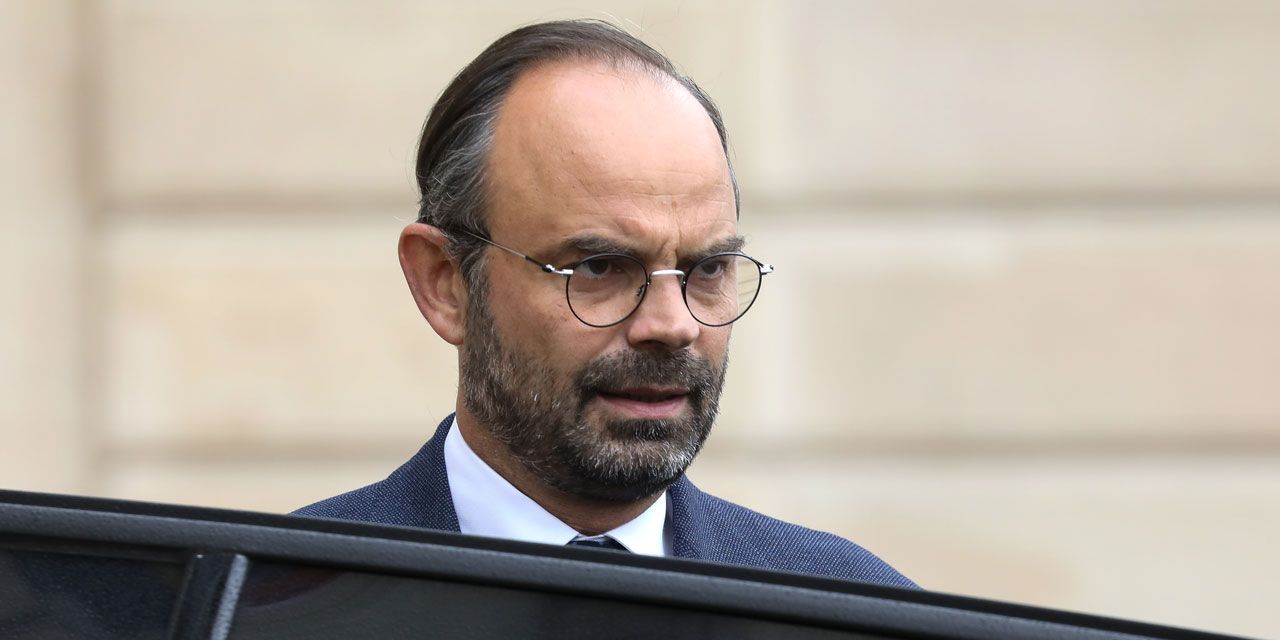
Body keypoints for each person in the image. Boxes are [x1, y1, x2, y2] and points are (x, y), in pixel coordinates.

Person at [297, 19, 914, 589]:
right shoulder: (279, 603)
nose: (672, 324)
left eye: (707, 269)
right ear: (445, 283)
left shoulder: (853, 607)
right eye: (599, 267)